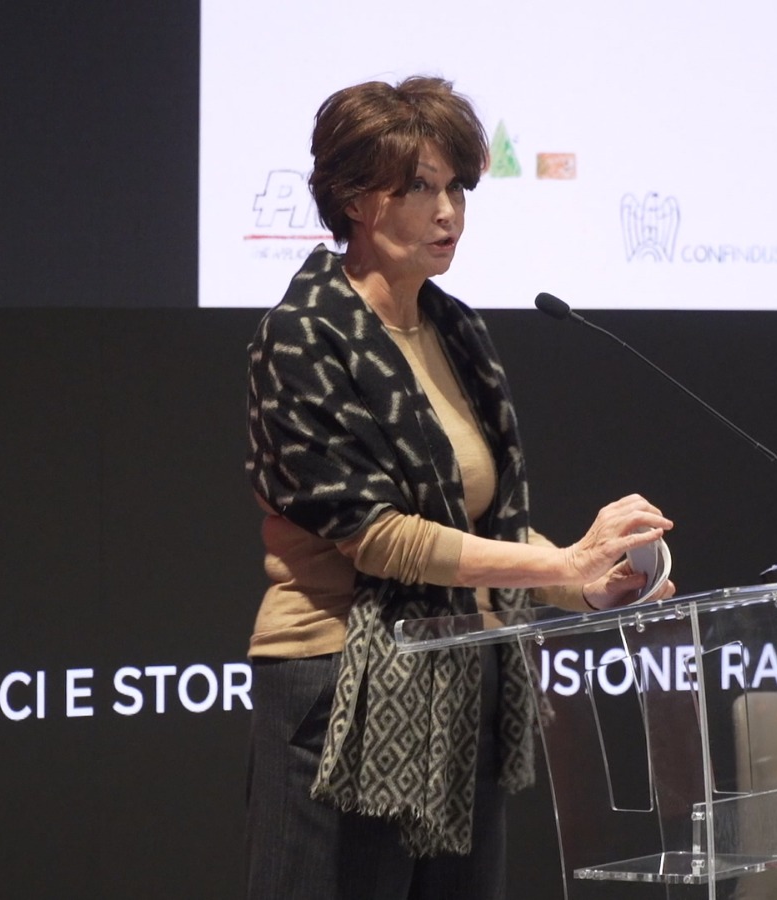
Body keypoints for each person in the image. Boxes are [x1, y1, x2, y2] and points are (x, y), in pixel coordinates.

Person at [243, 76, 676, 900]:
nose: (449, 213)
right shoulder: (301, 336)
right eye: (420, 188)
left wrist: (590, 585)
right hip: (338, 692)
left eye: (458, 189)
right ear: (355, 200)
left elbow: (489, 528)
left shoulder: (456, 329)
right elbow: (380, 538)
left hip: (460, 685)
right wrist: (564, 565)